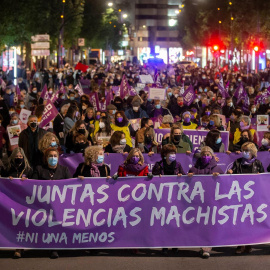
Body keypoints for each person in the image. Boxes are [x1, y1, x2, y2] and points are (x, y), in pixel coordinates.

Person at [32, 148, 71, 259]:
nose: (53, 158)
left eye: (55, 156)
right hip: (42, 204)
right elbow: (32, 185)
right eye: (50, 156)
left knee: (56, 223)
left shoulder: (64, 170)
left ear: (58, 158)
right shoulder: (39, 169)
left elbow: (71, 186)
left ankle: (55, 248)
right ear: (46, 158)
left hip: (59, 205)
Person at [228, 142, 264, 255]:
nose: (244, 153)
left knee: (251, 221)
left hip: (253, 197)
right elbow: (230, 176)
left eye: (247, 150)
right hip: (239, 196)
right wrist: (229, 172)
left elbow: (264, 179)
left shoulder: (258, 163)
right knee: (241, 221)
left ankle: (249, 244)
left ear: (253, 152)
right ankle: (240, 244)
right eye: (243, 150)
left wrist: (260, 176)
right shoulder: (237, 162)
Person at [188, 146, 224, 258]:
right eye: (204, 154)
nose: (205, 156)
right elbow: (186, 186)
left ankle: (206, 248)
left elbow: (225, 185)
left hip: (212, 201)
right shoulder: (193, 169)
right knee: (201, 225)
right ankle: (203, 245)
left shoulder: (217, 169)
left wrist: (220, 178)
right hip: (198, 202)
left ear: (212, 156)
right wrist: (188, 177)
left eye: (208, 154)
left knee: (209, 225)